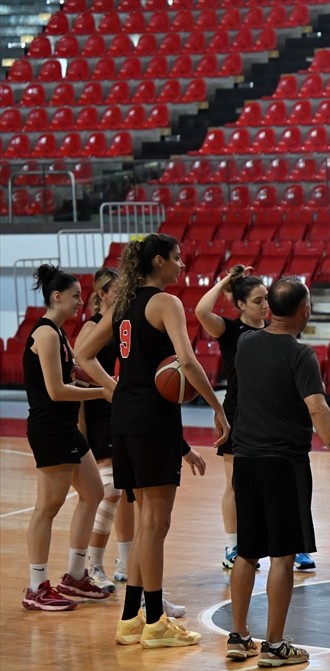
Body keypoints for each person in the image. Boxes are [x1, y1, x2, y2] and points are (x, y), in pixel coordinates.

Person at [76, 233, 229, 648]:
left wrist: (115, 389)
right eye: (177, 259)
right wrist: (218, 408)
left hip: (124, 419)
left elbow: (81, 353)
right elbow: (187, 360)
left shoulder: (123, 303)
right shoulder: (166, 303)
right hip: (152, 420)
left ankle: (130, 619)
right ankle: (156, 621)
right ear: (158, 261)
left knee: (148, 521)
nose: (182, 265)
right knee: (155, 523)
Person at [226, 278, 330, 667]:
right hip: (282, 463)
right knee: (284, 556)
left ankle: (238, 637)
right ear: (304, 310)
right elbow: (318, 410)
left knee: (247, 551)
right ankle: (274, 645)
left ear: (269, 308)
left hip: (246, 460)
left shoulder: (245, 343)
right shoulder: (300, 354)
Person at [194, 264, 295, 570]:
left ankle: (291, 542)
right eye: (257, 301)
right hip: (239, 413)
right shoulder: (229, 330)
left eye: (267, 298)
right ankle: (232, 544)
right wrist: (227, 278)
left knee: (281, 482)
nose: (266, 305)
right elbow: (200, 311)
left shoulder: (276, 330)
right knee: (236, 484)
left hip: (272, 413)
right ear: (240, 304)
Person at [21, 264, 110, 610]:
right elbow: (56, 391)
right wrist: (101, 393)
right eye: (75, 297)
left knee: (93, 492)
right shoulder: (44, 334)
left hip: (65, 428)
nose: (79, 302)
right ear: (56, 297)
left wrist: (105, 383)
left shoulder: (59, 334)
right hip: (50, 428)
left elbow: (73, 375)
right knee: (47, 507)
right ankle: (36, 587)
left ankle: (74, 575)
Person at [78, 268, 135, 594]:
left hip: (123, 409)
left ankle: (124, 562)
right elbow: (79, 372)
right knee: (110, 491)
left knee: (127, 492)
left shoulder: (125, 326)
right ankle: (92, 565)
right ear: (101, 294)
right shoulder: (91, 327)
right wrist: (81, 427)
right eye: (117, 290)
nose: (122, 294)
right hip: (100, 410)